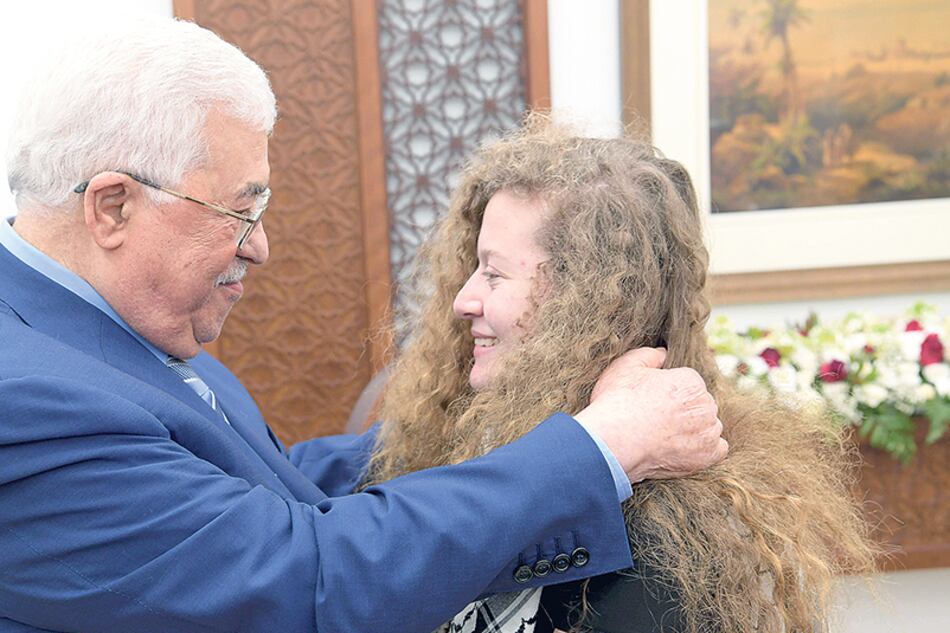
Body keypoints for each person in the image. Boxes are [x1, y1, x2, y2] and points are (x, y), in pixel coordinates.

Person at [0, 17, 728, 633]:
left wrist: (492, 437)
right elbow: (302, 572)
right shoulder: (29, 401)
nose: (259, 245)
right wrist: (599, 445)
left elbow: (267, 487)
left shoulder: (112, 330)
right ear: (112, 207)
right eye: (238, 210)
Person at [363, 119, 878, 633]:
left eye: (494, 273)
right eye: (475, 268)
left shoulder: (663, 540)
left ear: (581, 301)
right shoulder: (476, 439)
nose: (463, 299)